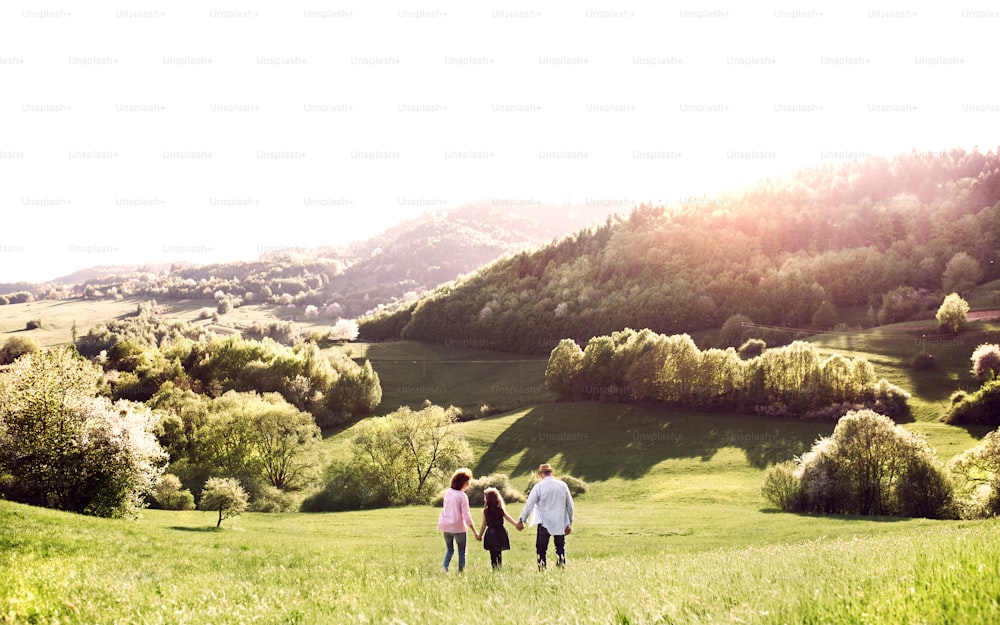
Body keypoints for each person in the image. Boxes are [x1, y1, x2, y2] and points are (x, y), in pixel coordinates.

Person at [516, 463, 574, 570]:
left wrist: (522, 520)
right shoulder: (562, 486)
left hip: (544, 523)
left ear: (541, 474)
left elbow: (529, 505)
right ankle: (561, 569)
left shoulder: (539, 487)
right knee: (560, 547)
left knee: (541, 549)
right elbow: (570, 506)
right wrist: (569, 523)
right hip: (559, 522)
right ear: (551, 473)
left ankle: (542, 570)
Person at [437, 468, 480, 573]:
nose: (468, 485)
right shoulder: (462, 496)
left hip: (445, 526)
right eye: (467, 483)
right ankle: (461, 572)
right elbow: (466, 516)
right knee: (461, 551)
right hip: (458, 527)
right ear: (462, 483)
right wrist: (475, 532)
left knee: (450, 550)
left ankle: (444, 567)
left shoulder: (448, 493)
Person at [477, 487, 517, 569]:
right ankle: (499, 568)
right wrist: (516, 524)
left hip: (490, 534)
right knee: (498, 552)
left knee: (492, 553)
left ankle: (494, 568)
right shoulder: (500, 510)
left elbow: (483, 525)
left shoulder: (486, 511)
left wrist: (480, 535)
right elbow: (508, 518)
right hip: (500, 532)